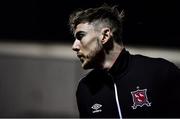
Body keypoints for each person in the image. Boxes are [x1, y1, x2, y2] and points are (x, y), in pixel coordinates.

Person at [69, 4, 180, 118]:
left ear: (105, 36)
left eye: (80, 36)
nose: (74, 46)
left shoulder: (161, 72)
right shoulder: (85, 89)